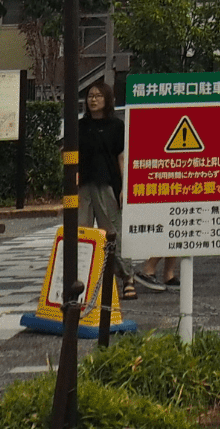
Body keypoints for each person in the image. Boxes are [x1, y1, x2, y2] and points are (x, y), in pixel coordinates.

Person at [79, 79, 133, 304]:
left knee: (112, 231)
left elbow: (121, 157)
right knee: (80, 231)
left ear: (107, 99)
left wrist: (123, 187)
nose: (93, 100)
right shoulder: (80, 126)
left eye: (98, 96)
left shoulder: (116, 126)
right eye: (90, 96)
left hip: (107, 183)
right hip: (83, 185)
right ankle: (82, 280)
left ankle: (127, 277)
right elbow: (71, 154)